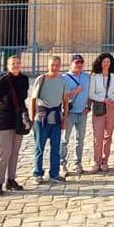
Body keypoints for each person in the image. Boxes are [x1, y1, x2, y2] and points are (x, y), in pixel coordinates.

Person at [0, 54, 28, 196]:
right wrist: (4, 109)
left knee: (15, 152)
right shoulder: (3, 81)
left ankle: (11, 180)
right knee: (4, 153)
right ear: (8, 66)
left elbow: (23, 97)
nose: (16, 66)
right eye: (13, 64)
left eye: (18, 63)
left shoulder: (24, 79)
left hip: (18, 120)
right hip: (4, 120)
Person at [29, 55, 68, 183]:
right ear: (48, 65)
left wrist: (65, 118)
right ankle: (37, 173)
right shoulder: (41, 79)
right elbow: (33, 100)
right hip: (42, 118)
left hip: (56, 118)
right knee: (40, 147)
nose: (55, 67)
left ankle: (54, 173)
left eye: (57, 65)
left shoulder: (62, 80)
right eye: (53, 65)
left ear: (60, 66)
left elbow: (65, 100)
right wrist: (32, 117)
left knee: (55, 148)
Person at [89, 51, 114, 173]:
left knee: (108, 136)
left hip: (112, 108)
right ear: (100, 63)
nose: (106, 64)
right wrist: (103, 99)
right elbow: (91, 93)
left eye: (108, 61)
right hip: (99, 107)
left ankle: (105, 161)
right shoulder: (94, 76)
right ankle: (96, 161)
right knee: (98, 136)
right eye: (104, 61)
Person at [60, 54, 91, 175]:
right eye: (76, 63)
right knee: (64, 140)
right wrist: (75, 91)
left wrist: (89, 106)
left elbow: (89, 93)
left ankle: (77, 163)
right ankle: (62, 164)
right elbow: (62, 96)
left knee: (80, 139)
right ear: (71, 64)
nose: (79, 65)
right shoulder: (65, 78)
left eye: (81, 63)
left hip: (82, 113)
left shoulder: (87, 77)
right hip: (69, 113)